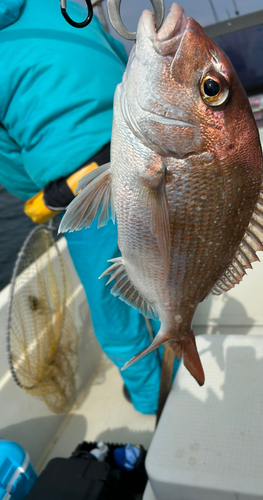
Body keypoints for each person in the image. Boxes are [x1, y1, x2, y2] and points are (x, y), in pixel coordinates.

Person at [0, 0, 164, 414]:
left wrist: (41, 196)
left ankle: (151, 399)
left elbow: (8, 162)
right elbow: (116, 55)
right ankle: (178, 368)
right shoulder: (62, 8)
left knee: (114, 312)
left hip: (84, 193)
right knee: (166, 282)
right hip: (146, 159)